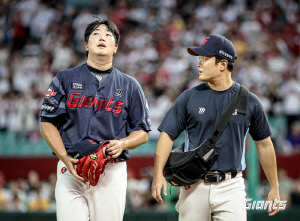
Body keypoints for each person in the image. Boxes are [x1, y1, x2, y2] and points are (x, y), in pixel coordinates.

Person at [151, 34, 280, 221]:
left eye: (204, 59)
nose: (199, 63)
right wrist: (157, 175)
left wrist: (274, 188)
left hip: (231, 186)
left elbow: (264, 145)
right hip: (192, 184)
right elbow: (167, 136)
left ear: (223, 64)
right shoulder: (189, 97)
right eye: (199, 59)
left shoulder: (249, 101)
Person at [40, 19, 151, 221]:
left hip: (111, 169)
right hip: (71, 166)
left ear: (115, 47)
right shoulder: (64, 78)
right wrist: (63, 156)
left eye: (108, 35)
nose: (102, 36)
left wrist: (123, 143)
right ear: (86, 45)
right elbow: (47, 122)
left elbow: (143, 132)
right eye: (95, 33)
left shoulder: (130, 85)